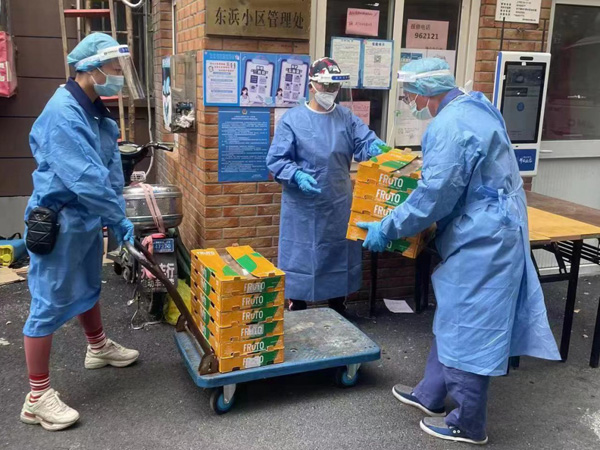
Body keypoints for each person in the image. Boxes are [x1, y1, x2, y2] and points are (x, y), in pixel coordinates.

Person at [358, 58, 560, 445]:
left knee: (470, 323)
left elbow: (434, 195)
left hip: (485, 238)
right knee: (454, 313)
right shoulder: (476, 105)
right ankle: (431, 393)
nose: (409, 102)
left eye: (409, 95)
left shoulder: (448, 126)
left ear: (425, 91)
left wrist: (388, 227)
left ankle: (469, 423)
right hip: (491, 224)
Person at [20, 33, 146, 431]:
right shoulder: (64, 112)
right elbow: (86, 178)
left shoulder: (96, 111)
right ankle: (36, 398)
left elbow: (109, 168)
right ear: (90, 69)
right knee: (48, 302)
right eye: (114, 68)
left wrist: (114, 212)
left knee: (88, 285)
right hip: (58, 221)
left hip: (86, 218)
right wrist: (117, 215)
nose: (119, 76)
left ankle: (97, 347)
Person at [266, 57, 387, 313]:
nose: (330, 91)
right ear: (311, 85)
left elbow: (364, 144)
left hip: (337, 202)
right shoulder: (292, 120)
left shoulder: (346, 118)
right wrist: (296, 175)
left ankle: (338, 304)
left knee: (338, 254)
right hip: (302, 208)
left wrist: (377, 149)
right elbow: (277, 160)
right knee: (302, 256)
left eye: (334, 86)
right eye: (325, 86)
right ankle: (297, 303)